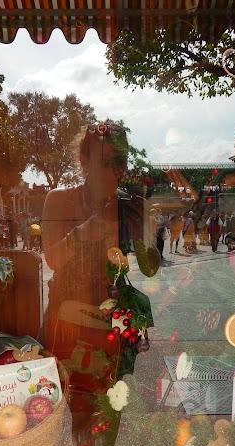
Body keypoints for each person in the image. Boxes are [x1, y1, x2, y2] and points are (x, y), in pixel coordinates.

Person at [42, 121, 146, 412]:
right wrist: (84, 231)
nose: (116, 170)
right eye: (105, 161)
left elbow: (151, 269)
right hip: (67, 325)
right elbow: (52, 259)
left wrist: (145, 227)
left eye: (120, 162)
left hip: (113, 327)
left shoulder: (128, 206)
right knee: (66, 405)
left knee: (111, 405)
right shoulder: (60, 200)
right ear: (84, 162)